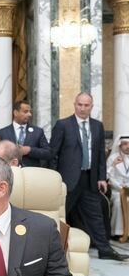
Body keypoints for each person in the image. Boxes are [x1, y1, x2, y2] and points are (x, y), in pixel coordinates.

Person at [50, 92, 127, 261]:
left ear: (92, 107)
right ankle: (50, 251)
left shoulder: (97, 126)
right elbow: (53, 154)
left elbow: (99, 154)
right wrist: (55, 179)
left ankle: (105, 250)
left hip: (89, 179)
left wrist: (101, 177)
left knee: (96, 216)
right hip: (67, 181)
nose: (83, 108)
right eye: (80, 104)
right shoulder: (63, 125)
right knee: (59, 215)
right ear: (75, 104)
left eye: (86, 105)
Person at [0, 100, 51, 168]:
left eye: (30, 112)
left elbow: (48, 153)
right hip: (9, 172)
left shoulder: (38, 132)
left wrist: (30, 150)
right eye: (25, 112)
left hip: (31, 173)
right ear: (15, 113)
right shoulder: (2, 132)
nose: (29, 114)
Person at [108, 136, 129, 238]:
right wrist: (113, 164)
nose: (127, 146)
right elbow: (108, 176)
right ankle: (118, 232)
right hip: (117, 191)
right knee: (118, 202)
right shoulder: (113, 158)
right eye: (125, 144)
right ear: (120, 145)